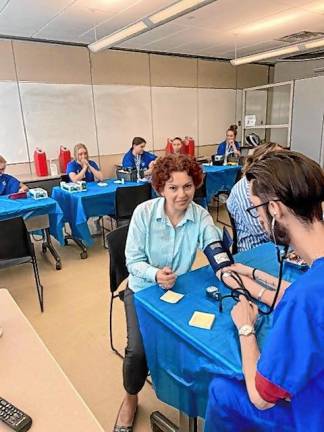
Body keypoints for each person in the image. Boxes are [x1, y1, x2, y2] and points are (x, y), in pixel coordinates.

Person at [205, 151, 324, 432]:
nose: (257, 218)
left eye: (256, 209)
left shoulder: (304, 299)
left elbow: (261, 397)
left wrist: (245, 328)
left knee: (221, 388)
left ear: (275, 210)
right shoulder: (310, 288)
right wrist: (255, 278)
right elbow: (306, 296)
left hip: (313, 417)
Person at [114, 154, 222, 432]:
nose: (182, 194)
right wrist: (155, 274)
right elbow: (132, 262)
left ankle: (190, 396)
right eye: (173, 187)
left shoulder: (200, 215)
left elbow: (214, 246)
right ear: (161, 188)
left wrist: (226, 267)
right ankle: (130, 399)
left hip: (178, 290)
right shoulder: (144, 214)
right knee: (137, 352)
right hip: (142, 291)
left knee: (201, 340)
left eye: (187, 186)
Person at [227, 142, 284, 252]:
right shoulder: (244, 188)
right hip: (255, 248)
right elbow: (260, 231)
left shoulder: (272, 182)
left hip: (279, 242)